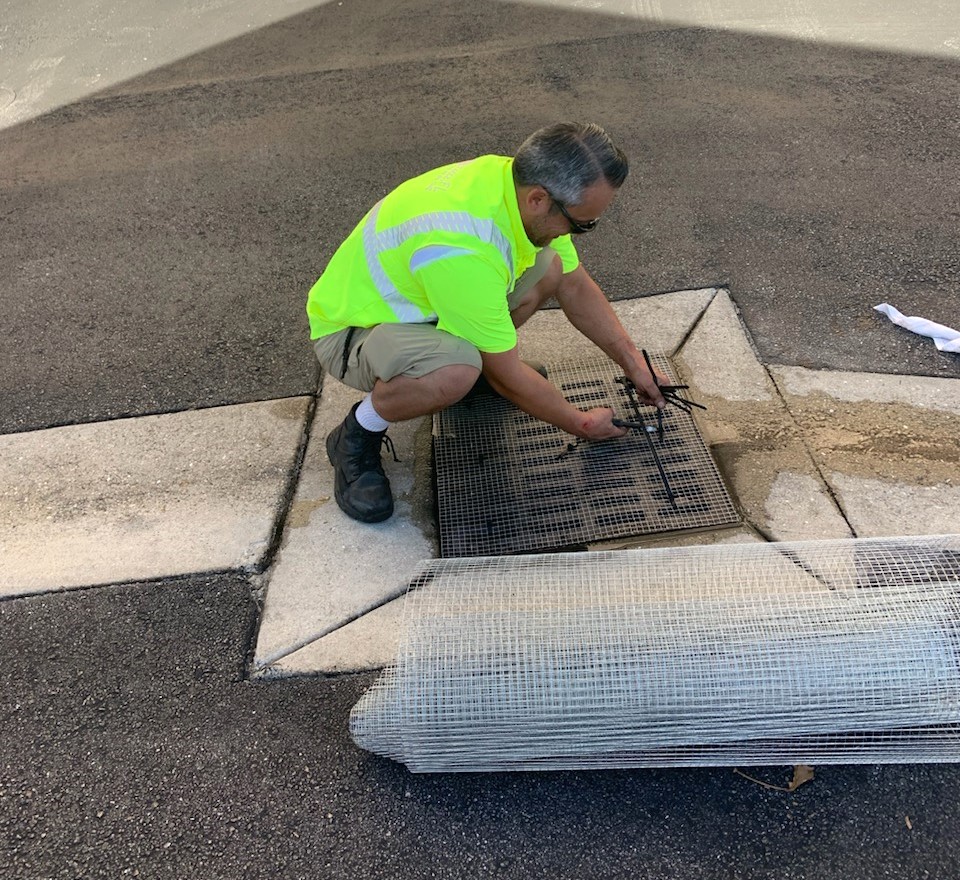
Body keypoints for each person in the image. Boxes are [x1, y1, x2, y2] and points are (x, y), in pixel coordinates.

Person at [307, 121, 666, 524]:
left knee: (552, 267)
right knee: (456, 371)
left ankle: (465, 367)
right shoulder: (462, 247)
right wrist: (581, 424)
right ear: (539, 199)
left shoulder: (513, 186)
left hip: (426, 308)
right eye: (583, 223)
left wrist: (634, 362)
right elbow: (508, 376)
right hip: (354, 331)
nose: (582, 232)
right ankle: (357, 434)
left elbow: (576, 287)